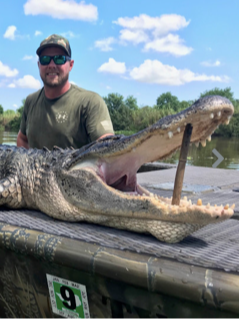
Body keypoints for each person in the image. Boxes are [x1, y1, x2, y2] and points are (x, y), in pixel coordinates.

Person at [17, 34, 114, 150]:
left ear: (71, 65)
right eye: (45, 59)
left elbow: (108, 148)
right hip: (35, 168)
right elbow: (22, 139)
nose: (51, 65)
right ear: (39, 65)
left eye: (59, 59)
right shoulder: (30, 101)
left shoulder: (90, 102)